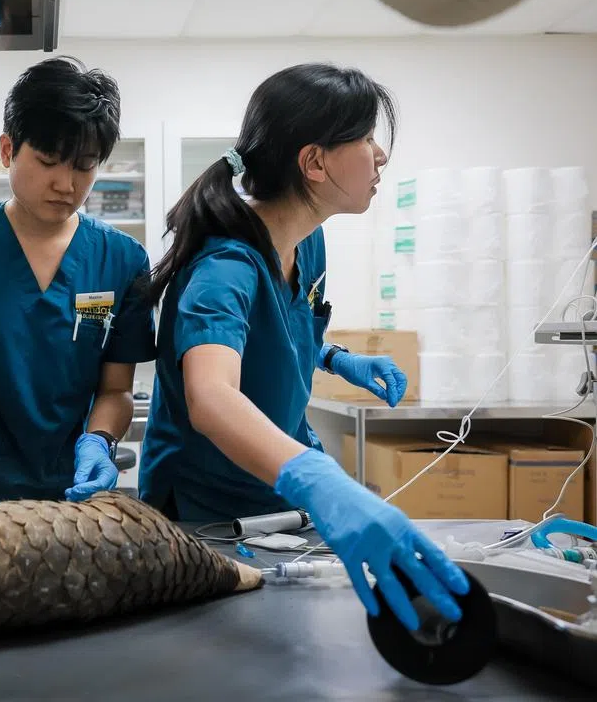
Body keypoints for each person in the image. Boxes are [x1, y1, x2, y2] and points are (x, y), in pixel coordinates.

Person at [137, 63, 466, 634]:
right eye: (365, 138)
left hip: (276, 503)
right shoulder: (225, 269)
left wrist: (337, 358)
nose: (380, 154)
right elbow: (211, 397)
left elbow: (284, 328)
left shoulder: (307, 244)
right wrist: (319, 478)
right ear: (314, 162)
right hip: (208, 519)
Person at [0, 56, 156, 504]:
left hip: (70, 493)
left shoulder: (121, 260)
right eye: (48, 161)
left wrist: (98, 441)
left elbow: (117, 389)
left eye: (84, 166)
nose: (66, 183)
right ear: (8, 150)